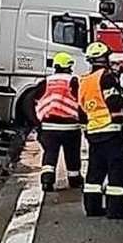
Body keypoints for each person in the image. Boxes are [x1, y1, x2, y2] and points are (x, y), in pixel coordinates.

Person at [78, 41, 123, 219]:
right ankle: (115, 209)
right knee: (118, 171)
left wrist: (87, 132)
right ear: (104, 58)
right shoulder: (106, 77)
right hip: (111, 132)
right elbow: (114, 102)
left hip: (94, 133)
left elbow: (81, 111)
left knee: (95, 173)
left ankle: (92, 208)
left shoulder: (84, 81)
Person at [33, 51, 85, 192]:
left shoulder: (46, 82)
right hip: (71, 127)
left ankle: (47, 181)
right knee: (72, 154)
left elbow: (34, 101)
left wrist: (37, 122)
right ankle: (74, 180)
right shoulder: (74, 81)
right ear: (69, 66)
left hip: (48, 127)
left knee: (49, 154)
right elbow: (82, 102)